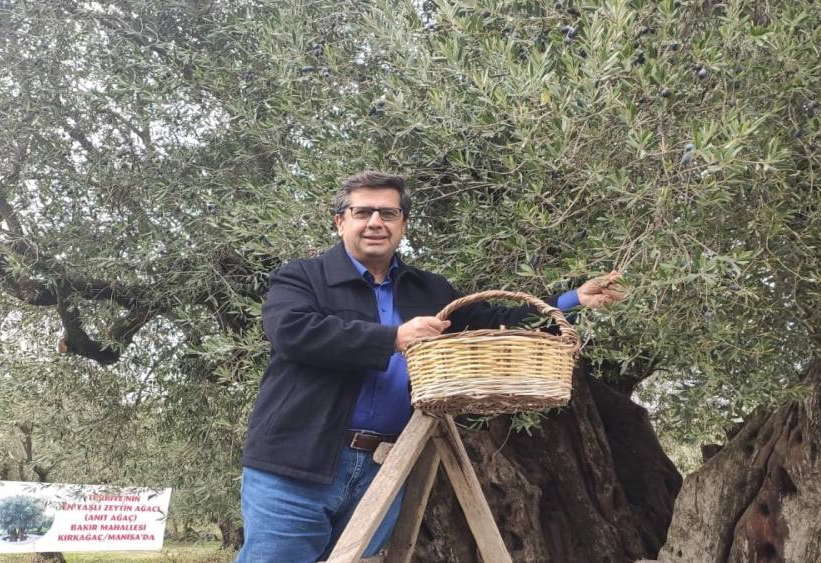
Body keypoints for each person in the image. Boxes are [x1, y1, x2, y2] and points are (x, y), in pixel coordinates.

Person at [236, 171, 625, 562]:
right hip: (296, 462)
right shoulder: (301, 277)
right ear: (340, 222)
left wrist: (572, 300)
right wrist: (394, 337)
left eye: (388, 213)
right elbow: (292, 331)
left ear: (403, 224)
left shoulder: (431, 290)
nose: (375, 222)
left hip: (384, 464)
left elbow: (497, 322)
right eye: (363, 212)